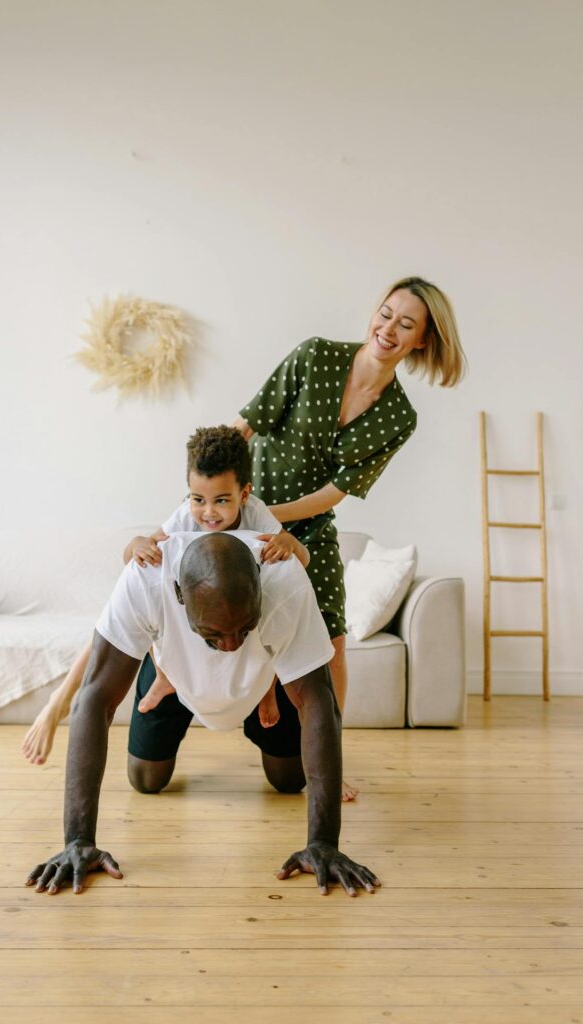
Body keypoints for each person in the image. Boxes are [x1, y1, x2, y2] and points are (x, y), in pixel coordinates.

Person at [26, 531, 381, 897]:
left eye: (244, 627)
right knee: (146, 779)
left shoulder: (285, 578)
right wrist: (78, 840)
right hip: (175, 676)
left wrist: (324, 842)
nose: (230, 645)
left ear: (260, 584)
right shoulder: (147, 577)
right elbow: (95, 696)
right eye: (215, 634)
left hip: (260, 682)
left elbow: (318, 700)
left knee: (290, 780)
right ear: (179, 594)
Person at [233, 276, 467, 801]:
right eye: (385, 314)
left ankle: (328, 767)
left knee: (334, 644)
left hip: (307, 526)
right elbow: (247, 424)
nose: (389, 328)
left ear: (421, 341)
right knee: (249, 623)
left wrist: (278, 520)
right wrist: (215, 493)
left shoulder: (398, 417)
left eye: (406, 324)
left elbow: (336, 491)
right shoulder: (315, 356)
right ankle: (259, 705)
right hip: (245, 517)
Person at [21, 426, 309, 766]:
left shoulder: (257, 515)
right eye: (198, 499)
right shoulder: (185, 518)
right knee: (134, 608)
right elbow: (134, 561)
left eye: (222, 500)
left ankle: (268, 689)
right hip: (185, 624)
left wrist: (291, 546)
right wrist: (136, 545)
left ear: (244, 494)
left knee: (277, 608)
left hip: (244, 625)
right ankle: (134, 682)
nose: (209, 513)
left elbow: (300, 565)